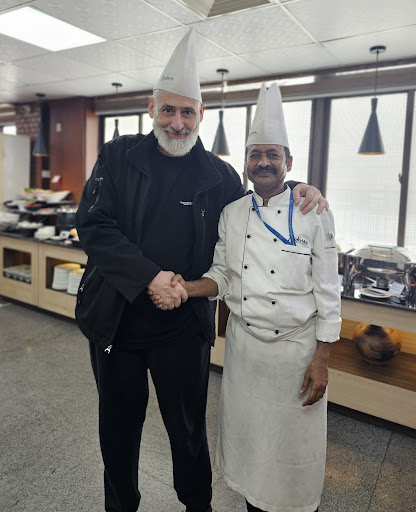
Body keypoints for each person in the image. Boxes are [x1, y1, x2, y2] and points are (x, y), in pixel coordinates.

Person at [75, 30, 328, 512]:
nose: (177, 122)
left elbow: (256, 210)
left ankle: (197, 506)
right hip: (116, 325)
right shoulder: (117, 156)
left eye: (187, 112)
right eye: (168, 110)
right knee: (117, 430)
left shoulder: (219, 175)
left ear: (201, 115)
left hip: (183, 332)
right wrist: (150, 277)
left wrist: (299, 187)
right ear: (152, 108)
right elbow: (94, 226)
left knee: (188, 431)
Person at [150, 83, 341, 512]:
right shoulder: (233, 213)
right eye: (255, 155)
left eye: (273, 155)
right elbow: (223, 276)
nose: (264, 162)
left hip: (296, 354)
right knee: (252, 452)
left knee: (293, 460)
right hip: (245, 353)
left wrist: (323, 359)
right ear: (246, 163)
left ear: (289, 162)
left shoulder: (314, 213)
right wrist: (185, 288)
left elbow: (329, 292)